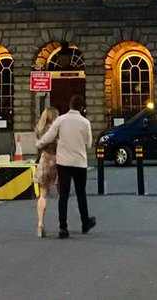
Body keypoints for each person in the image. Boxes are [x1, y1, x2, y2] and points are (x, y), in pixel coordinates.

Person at [35, 94, 95, 239]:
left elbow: (49, 135)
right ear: (81, 107)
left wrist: (39, 144)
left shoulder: (61, 120)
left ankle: (63, 227)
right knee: (81, 194)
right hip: (79, 162)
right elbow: (89, 144)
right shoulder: (85, 122)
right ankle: (85, 222)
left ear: (70, 105)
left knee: (64, 196)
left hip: (63, 163)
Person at [32, 107, 59, 238]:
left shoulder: (39, 129)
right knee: (62, 194)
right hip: (57, 161)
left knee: (42, 195)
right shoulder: (56, 129)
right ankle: (62, 223)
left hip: (44, 160)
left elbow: (38, 146)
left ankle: (40, 224)